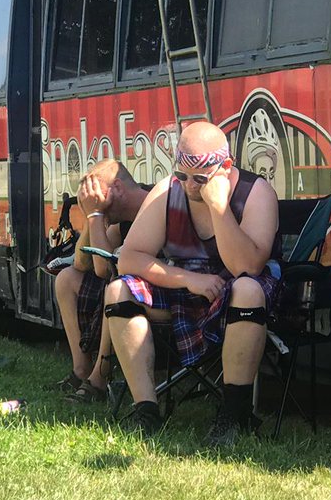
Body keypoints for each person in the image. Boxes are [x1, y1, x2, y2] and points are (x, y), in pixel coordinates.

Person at [104, 121, 281, 446]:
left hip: (237, 292)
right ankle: (146, 412)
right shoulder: (168, 191)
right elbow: (129, 258)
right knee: (119, 289)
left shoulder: (256, 193)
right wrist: (189, 279)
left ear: (225, 167)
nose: (188, 186)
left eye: (199, 179)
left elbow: (247, 266)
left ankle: (233, 415)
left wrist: (219, 207)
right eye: (182, 175)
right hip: (185, 289)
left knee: (248, 288)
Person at [52, 159, 149, 403]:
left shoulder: (151, 206)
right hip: (125, 286)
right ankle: (81, 369)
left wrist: (96, 214)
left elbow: (104, 269)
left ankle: (99, 380)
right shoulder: (120, 219)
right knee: (66, 279)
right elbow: (82, 263)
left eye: (97, 195)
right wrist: (91, 215)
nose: (97, 203)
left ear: (117, 187)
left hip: (154, 292)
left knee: (114, 284)